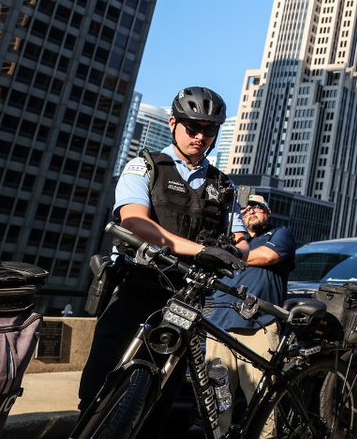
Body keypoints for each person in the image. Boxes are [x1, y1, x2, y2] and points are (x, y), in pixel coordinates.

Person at [78, 87, 246, 439]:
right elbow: (134, 221)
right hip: (138, 287)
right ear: (173, 123)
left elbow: (240, 240)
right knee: (97, 394)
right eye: (192, 127)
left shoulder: (224, 185)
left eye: (210, 130)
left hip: (187, 299)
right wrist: (197, 251)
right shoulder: (145, 165)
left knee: (159, 403)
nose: (201, 136)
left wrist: (236, 251)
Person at [206, 194, 296, 434]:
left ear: (268, 212)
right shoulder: (228, 240)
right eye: (244, 210)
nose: (250, 211)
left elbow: (268, 257)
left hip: (259, 325)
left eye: (257, 207)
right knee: (218, 399)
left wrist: (229, 254)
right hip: (219, 327)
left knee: (262, 399)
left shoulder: (279, 234)